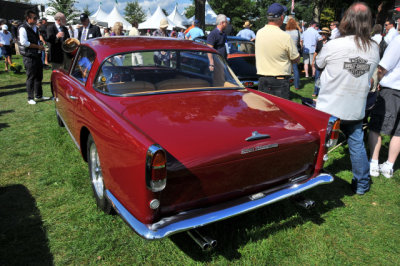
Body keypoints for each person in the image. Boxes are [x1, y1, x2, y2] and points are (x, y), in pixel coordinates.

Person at [315, 2, 379, 195]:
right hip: (355, 106)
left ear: (346, 20)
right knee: (356, 142)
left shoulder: (334, 44)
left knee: (320, 143)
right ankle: (361, 184)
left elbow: (318, 64)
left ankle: (313, 175)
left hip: (329, 106)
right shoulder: (374, 48)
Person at [368, 35, 400, 179]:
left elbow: (383, 67)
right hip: (394, 89)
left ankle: (374, 163)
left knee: (376, 126)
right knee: (398, 131)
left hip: (392, 90)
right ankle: (389, 165)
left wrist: (378, 80)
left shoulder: (398, 40)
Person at [255, 3, 299, 100]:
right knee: (280, 112)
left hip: (263, 79)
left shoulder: (259, 33)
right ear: (282, 17)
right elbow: (296, 58)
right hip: (279, 81)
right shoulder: (285, 36)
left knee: (265, 111)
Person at [18, 10, 49, 105]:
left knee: (39, 76)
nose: (36, 20)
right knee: (31, 77)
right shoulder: (22, 28)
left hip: (37, 55)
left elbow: (37, 38)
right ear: (28, 18)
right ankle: (30, 97)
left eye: (36, 18)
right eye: (34, 18)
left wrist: (41, 44)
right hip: (29, 56)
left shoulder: (35, 27)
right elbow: (24, 43)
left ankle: (39, 95)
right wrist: (38, 46)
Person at [311, 27, 330, 97]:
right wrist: (313, 61)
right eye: (322, 34)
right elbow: (316, 52)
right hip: (319, 62)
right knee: (317, 77)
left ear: (327, 35)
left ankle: (324, 92)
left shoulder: (331, 42)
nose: (323, 35)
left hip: (327, 62)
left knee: (325, 78)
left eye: (324, 34)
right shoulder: (319, 42)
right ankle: (316, 92)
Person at [285, 18, 302, 90]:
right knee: (295, 69)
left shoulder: (285, 32)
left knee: (286, 70)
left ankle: (286, 84)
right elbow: (301, 42)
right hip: (295, 51)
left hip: (287, 52)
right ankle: (296, 85)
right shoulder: (298, 32)